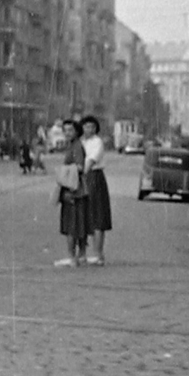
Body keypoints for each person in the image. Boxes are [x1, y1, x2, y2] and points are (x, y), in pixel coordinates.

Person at [53, 119, 89, 267]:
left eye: (70, 130)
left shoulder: (76, 147)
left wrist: (64, 171)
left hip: (73, 188)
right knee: (79, 223)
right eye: (65, 130)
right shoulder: (73, 146)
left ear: (77, 131)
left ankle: (71, 256)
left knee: (71, 224)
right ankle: (81, 255)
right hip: (77, 188)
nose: (67, 133)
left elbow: (80, 166)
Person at [80, 114, 111, 266]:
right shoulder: (81, 142)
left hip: (94, 177)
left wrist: (82, 174)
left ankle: (98, 254)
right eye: (86, 126)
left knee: (98, 216)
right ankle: (83, 254)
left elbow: (92, 160)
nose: (89, 129)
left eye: (92, 127)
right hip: (82, 177)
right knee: (84, 215)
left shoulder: (97, 142)